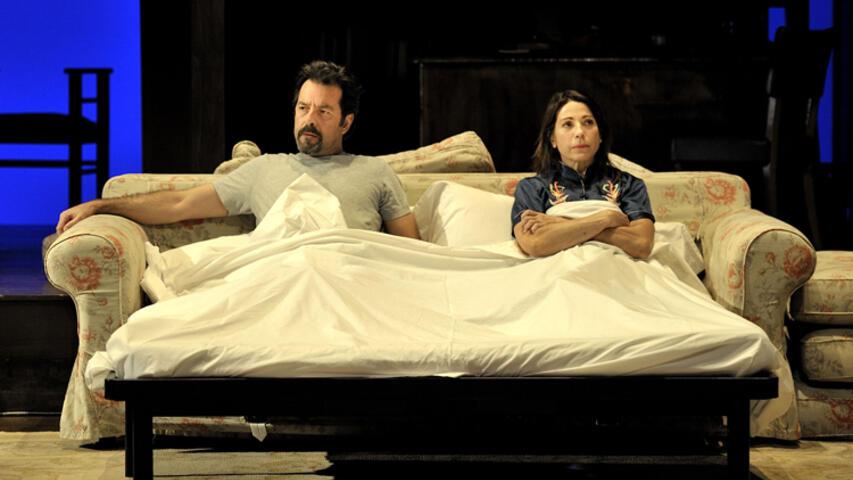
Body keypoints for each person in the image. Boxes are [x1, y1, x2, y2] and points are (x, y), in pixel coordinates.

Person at [56, 60, 419, 239]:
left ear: (346, 122)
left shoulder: (374, 172)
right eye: (303, 108)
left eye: (323, 112)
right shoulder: (265, 169)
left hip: (355, 280)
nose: (309, 120)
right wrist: (100, 205)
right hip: (286, 279)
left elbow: (413, 254)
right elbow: (180, 204)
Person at [511, 89, 654, 259]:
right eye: (568, 124)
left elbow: (641, 244)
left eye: (588, 122)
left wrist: (559, 223)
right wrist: (605, 219)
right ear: (552, 138)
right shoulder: (531, 188)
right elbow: (535, 244)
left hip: (616, 266)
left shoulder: (629, 184)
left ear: (600, 135)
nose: (579, 132)